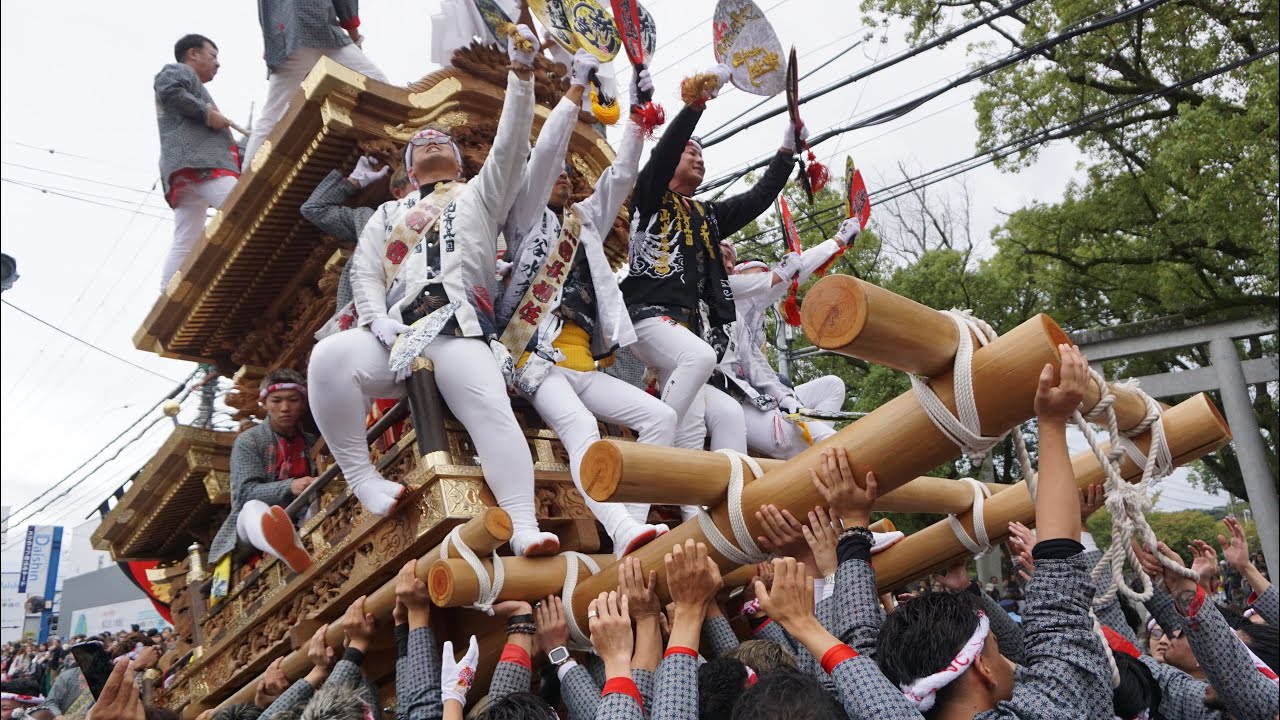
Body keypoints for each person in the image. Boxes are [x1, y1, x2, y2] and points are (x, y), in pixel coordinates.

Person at [307, 26, 563, 557]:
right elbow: (365, 276)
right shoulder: (387, 214)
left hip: (459, 327)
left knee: (491, 409)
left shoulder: (479, 197)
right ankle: (363, 479)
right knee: (328, 358)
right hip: (397, 333)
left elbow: (512, 151)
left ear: (461, 160)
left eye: (441, 139)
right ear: (405, 172)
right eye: (419, 142)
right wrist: (377, 321)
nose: (430, 141)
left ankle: (522, 523)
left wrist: (520, 76)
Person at [874, 344, 1115, 718]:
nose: (1008, 659)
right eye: (995, 649)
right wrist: (1051, 423)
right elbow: (1059, 602)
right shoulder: (1048, 710)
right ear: (982, 669)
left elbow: (852, 649)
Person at [497, 55, 673, 557]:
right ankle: (621, 529)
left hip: (584, 360)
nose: (566, 179)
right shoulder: (524, 219)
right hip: (533, 357)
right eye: (557, 175)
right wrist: (575, 87)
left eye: (570, 177)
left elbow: (620, 175)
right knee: (580, 427)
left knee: (660, 418)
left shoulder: (584, 220)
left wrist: (640, 114)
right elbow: (549, 152)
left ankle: (631, 527)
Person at [619, 63, 805, 446]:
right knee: (700, 359)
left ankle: (695, 507)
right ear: (670, 161)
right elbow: (664, 148)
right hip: (647, 317)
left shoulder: (707, 215)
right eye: (690, 152)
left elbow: (755, 199)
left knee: (704, 423)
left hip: (688, 329)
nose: (699, 158)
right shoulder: (650, 196)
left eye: (703, 154)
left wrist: (786, 151)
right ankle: (651, 441)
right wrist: (698, 102)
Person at [711, 220, 857, 459]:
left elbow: (755, 364)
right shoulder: (716, 292)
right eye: (754, 276)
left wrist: (785, 398)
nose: (766, 281)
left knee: (832, 388)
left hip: (755, 395)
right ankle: (803, 451)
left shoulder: (740, 315)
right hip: (726, 398)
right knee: (825, 441)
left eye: (732, 260)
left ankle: (801, 456)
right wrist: (836, 241)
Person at [208, 369, 317, 602]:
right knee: (253, 508)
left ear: (303, 403)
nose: (285, 408)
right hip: (251, 524)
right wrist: (290, 486)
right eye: (277, 401)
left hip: (300, 515)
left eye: (293, 400)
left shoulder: (311, 442)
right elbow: (245, 494)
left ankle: (294, 547)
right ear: (264, 403)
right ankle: (287, 548)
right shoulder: (249, 441)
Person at [243, 1, 388, 166]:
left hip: (285, 39)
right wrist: (354, 36)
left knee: (271, 117)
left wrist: (271, 44)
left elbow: (266, 10)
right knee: (378, 82)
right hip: (320, 29)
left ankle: (244, 180)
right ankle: (387, 132)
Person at [155, 34, 241, 291]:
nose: (217, 64)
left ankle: (166, 295)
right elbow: (168, 89)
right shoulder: (177, 71)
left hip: (183, 171)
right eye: (212, 56)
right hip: (202, 164)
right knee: (245, 206)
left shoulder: (187, 80)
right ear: (193, 54)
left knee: (185, 239)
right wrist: (206, 113)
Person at [301, 157, 410, 315]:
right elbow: (313, 209)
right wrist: (354, 181)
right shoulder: (370, 219)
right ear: (399, 193)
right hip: (365, 310)